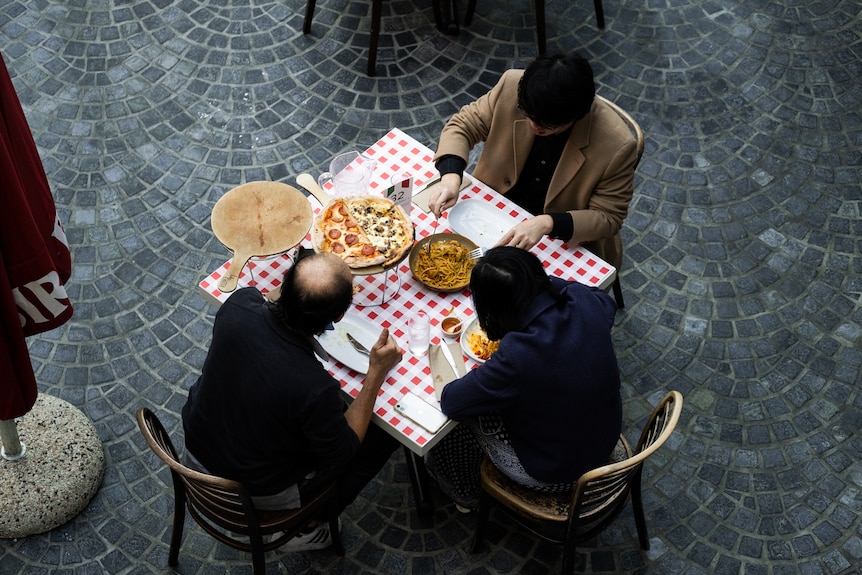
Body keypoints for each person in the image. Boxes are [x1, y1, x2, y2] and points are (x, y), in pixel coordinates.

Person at [182, 248, 403, 551]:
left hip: (196, 449)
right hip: (253, 490)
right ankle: (310, 524)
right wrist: (376, 373)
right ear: (339, 316)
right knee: (383, 436)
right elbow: (345, 451)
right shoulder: (314, 387)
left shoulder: (239, 304)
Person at [425, 247, 622, 510]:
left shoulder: (517, 354)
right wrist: (538, 283)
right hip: (606, 435)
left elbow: (453, 402)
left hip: (556, 472)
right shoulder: (582, 299)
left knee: (457, 425)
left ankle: (464, 493)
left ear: (493, 308)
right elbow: (602, 301)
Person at [427, 52, 638, 271]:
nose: (534, 127)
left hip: (558, 236)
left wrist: (547, 223)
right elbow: (462, 126)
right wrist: (451, 176)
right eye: (528, 115)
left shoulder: (617, 145)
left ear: (577, 117)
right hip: (489, 210)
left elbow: (608, 218)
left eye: (548, 126)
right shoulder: (510, 85)